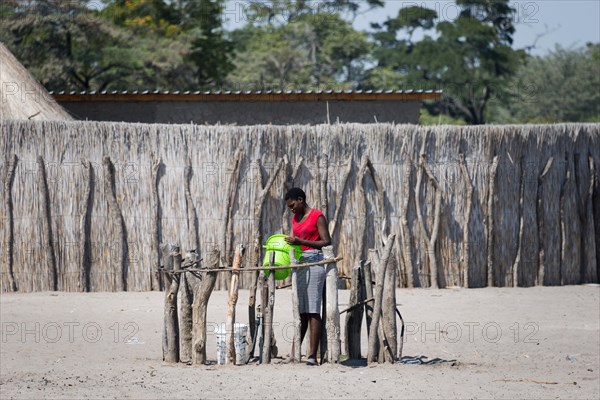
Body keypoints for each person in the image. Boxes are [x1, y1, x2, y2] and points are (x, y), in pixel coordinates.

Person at [284, 187, 331, 366]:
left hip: (314, 263)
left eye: (292, 205)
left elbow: (327, 241)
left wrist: (301, 242)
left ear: (301, 199)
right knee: (301, 312)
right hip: (300, 264)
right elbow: (292, 238)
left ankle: (312, 356)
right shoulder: (295, 218)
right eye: (289, 207)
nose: (291, 209)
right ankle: (294, 354)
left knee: (312, 311)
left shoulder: (317, 216)